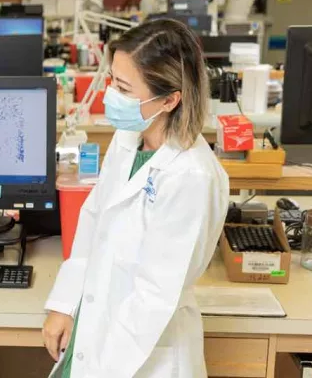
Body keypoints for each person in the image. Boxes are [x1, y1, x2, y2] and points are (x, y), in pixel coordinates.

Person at [42, 19, 229, 378]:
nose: (110, 94)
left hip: (137, 356)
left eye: (124, 88)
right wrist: (64, 305)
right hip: (93, 330)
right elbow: (93, 221)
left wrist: (100, 367)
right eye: (112, 80)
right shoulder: (129, 138)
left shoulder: (191, 176)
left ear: (171, 99)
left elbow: (154, 296)